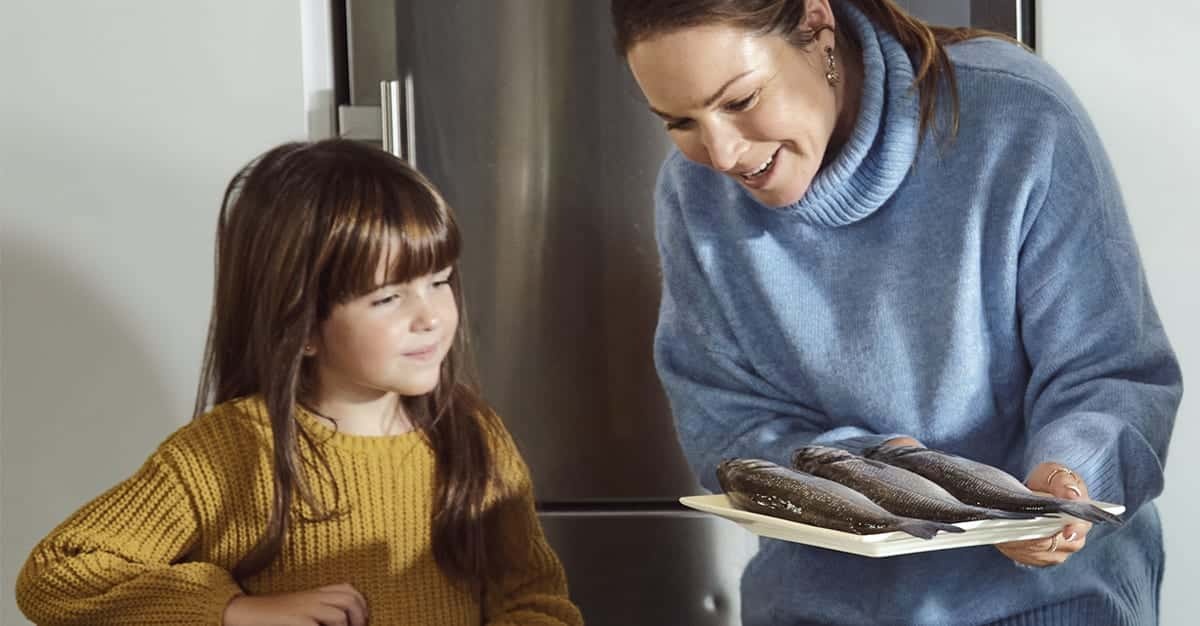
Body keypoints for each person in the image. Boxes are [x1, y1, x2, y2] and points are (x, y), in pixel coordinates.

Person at [611, 0, 1181, 624]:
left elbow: (1111, 374)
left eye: (740, 101)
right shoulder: (693, 196)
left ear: (817, 25)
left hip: (1050, 605)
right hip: (816, 611)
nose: (720, 155)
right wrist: (877, 472)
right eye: (679, 122)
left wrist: (1067, 484)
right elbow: (726, 421)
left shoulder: (1015, 116)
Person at [15, 139, 584, 626]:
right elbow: (57, 572)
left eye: (439, 281)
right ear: (303, 327)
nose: (431, 315)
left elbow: (534, 598)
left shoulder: (471, 434)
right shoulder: (233, 449)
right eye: (388, 297)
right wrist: (232, 609)